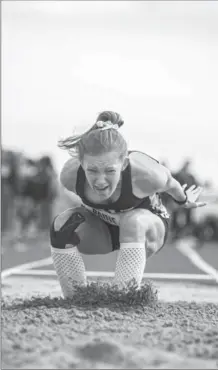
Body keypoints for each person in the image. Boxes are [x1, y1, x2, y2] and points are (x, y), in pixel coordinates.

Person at [50, 111, 206, 298]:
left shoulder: (146, 174)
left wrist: (184, 200)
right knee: (61, 225)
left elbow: (171, 184)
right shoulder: (70, 176)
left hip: (147, 227)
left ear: (124, 164)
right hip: (105, 228)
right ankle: (76, 297)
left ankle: (123, 296)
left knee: (133, 221)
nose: (100, 181)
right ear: (81, 164)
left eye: (109, 171)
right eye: (92, 170)